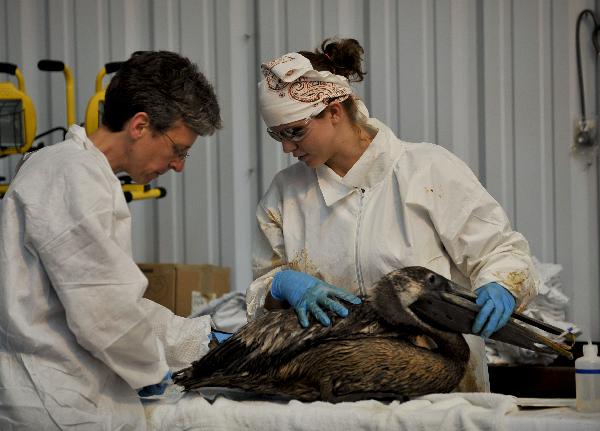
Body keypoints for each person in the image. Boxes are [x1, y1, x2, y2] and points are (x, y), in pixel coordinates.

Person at [246, 38, 540, 392]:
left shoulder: (427, 170)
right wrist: (279, 285)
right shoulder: (285, 195)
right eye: (276, 135)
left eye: (295, 131)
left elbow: (500, 252)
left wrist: (502, 283)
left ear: (335, 111)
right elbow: (264, 291)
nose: (287, 147)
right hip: (334, 388)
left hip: (442, 385)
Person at [0, 51, 223, 429]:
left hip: (70, 395)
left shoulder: (87, 174)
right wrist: (153, 371)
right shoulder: (71, 174)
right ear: (140, 125)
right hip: (55, 404)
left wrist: (196, 337)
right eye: (178, 149)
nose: (178, 165)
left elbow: (114, 300)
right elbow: (104, 311)